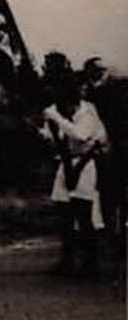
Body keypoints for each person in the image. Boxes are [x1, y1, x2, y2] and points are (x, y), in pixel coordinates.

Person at [36, 76, 111, 277]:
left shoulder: (88, 112)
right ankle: (67, 261)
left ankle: (91, 264)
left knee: (83, 213)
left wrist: (57, 119)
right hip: (66, 161)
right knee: (63, 211)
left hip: (85, 163)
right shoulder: (58, 110)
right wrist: (45, 132)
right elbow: (55, 138)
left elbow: (80, 135)